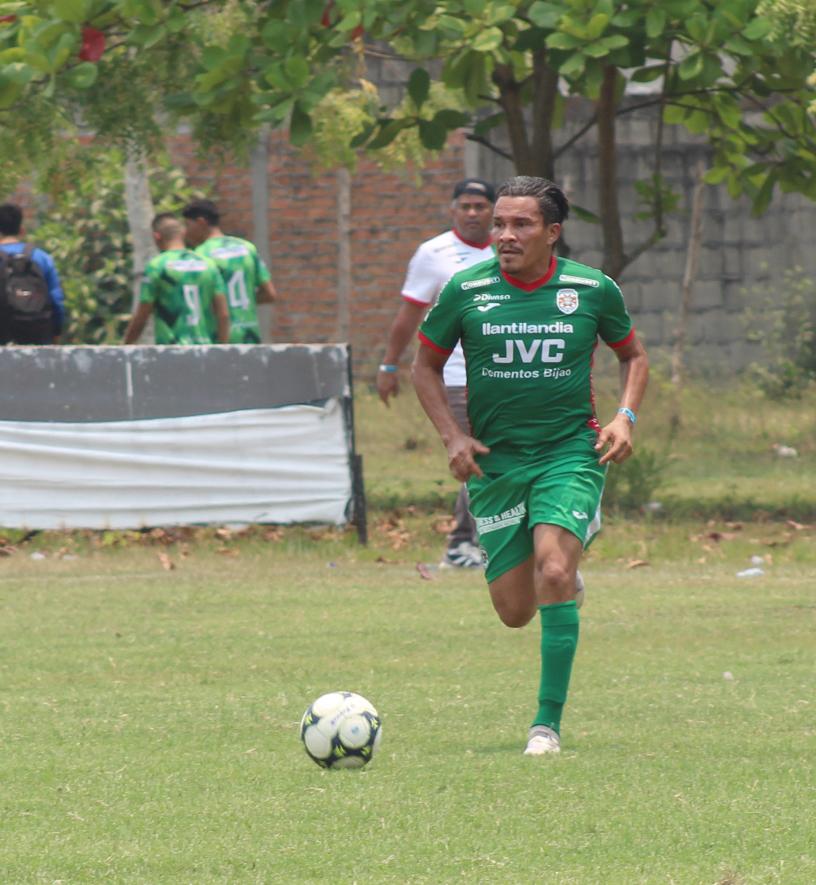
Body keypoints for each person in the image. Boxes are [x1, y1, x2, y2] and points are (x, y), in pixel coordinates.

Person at [412, 176, 649, 755]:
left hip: (571, 450)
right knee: (516, 612)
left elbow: (634, 355)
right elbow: (425, 367)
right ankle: (564, 576)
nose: (504, 235)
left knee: (551, 574)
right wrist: (452, 437)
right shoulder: (465, 290)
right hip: (496, 464)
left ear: (552, 233)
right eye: (499, 224)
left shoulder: (591, 290)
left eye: (520, 225)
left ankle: (546, 725)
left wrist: (624, 418)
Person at [377, 178, 496, 569]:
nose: (474, 213)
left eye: (481, 206)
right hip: (457, 374)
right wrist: (389, 364)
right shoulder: (434, 253)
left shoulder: (510, 248)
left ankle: (491, 539)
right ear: (453, 210)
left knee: (500, 455)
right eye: (466, 206)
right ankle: (462, 543)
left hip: (507, 373)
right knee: (476, 453)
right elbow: (409, 314)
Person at [124, 213, 230, 345]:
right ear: (183, 233)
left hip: (171, 350)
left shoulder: (157, 266)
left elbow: (142, 316)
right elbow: (223, 314)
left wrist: (125, 346)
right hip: (204, 349)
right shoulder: (208, 264)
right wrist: (222, 347)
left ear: (156, 236)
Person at [181, 198, 276, 344]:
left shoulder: (201, 256)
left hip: (219, 337)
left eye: (187, 225)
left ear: (201, 222)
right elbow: (270, 294)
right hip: (249, 335)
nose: (185, 232)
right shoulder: (247, 247)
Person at [0, 202, 66, 345]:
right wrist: (56, 332)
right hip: (39, 335)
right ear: (21, 230)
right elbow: (56, 300)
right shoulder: (42, 258)